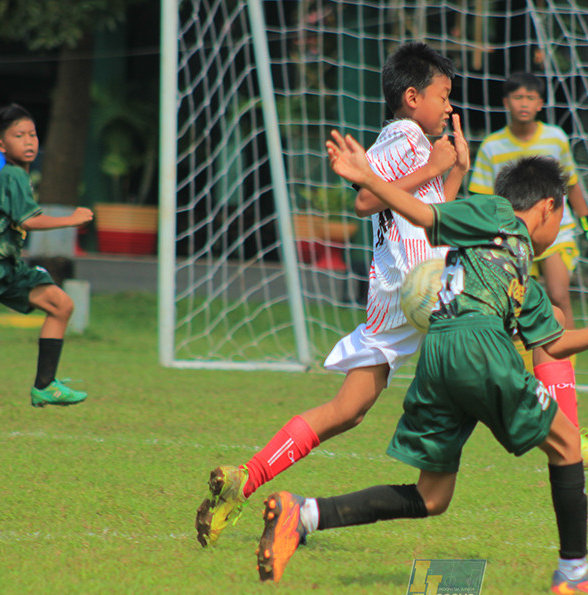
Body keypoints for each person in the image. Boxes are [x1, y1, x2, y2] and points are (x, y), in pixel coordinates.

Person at [256, 138, 588, 595]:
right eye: (560, 222)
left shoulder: (520, 277)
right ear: (548, 206)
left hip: (439, 354)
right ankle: (574, 572)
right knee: (567, 442)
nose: (558, 232)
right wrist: (368, 179)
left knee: (432, 497)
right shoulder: (495, 214)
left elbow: (555, 344)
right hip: (477, 347)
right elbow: (426, 216)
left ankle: (303, 514)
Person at [195, 41, 469, 547]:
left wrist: (452, 174)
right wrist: (434, 166)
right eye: (443, 95)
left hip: (401, 291)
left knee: (350, 409)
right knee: (522, 313)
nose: (450, 107)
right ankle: (564, 431)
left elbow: (418, 211)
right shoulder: (405, 135)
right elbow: (367, 197)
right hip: (421, 283)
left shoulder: (417, 144)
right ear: (411, 97)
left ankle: (244, 479)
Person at [468, 71, 588, 467]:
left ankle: (563, 362)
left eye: (530, 97)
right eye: (517, 96)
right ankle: (535, 363)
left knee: (558, 294)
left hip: (556, 233)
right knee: (519, 304)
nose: (524, 103)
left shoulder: (556, 138)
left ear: (540, 103)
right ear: (506, 102)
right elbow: (478, 195)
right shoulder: (492, 146)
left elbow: (571, 183)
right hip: (513, 234)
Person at [0, 104, 93, 407]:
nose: (29, 141)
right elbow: (28, 221)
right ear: (1, 145)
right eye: (18, 135)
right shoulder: (13, 176)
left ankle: (44, 385)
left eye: (33, 135)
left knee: (60, 305)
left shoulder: (10, 177)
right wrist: (72, 219)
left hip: (6, 267)